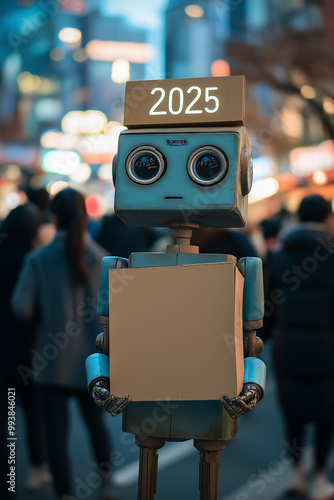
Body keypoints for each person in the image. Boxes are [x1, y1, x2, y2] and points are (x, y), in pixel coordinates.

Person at [12, 188, 116, 500]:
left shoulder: (38, 259)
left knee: (55, 436)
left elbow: (21, 307)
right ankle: (107, 483)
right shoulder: (103, 259)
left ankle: (65, 494)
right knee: (96, 425)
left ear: (53, 216)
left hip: (51, 364)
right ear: (85, 215)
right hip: (93, 364)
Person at [263, 194, 334, 500]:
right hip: (328, 348)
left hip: (287, 346)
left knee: (293, 409)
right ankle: (318, 478)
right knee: (326, 413)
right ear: (327, 217)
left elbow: (267, 307)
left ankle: (294, 473)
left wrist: (257, 342)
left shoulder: (279, 256)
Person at [0, 203, 52, 498]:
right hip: (31, 353)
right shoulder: (34, 260)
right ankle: (37, 470)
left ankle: (7, 481)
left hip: (3, 352)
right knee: (33, 414)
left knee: (7, 418)